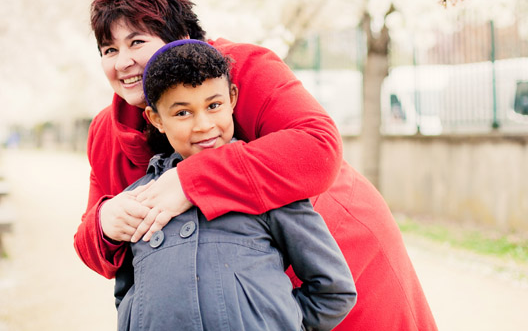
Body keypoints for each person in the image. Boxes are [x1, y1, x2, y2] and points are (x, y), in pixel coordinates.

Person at [74, 0, 438, 331]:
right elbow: (100, 251)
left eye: (137, 42)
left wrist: (189, 181)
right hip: (226, 298)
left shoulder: (239, 68)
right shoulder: (108, 130)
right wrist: (106, 222)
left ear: (181, 40)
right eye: (109, 50)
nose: (122, 62)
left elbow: (317, 147)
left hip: (337, 251)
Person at [114, 39, 356, 330]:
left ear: (232, 99)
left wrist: (281, 323)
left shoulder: (262, 185)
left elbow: (334, 288)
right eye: (182, 112)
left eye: (214, 105)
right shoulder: (140, 198)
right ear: (156, 119)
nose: (203, 124)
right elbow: (128, 294)